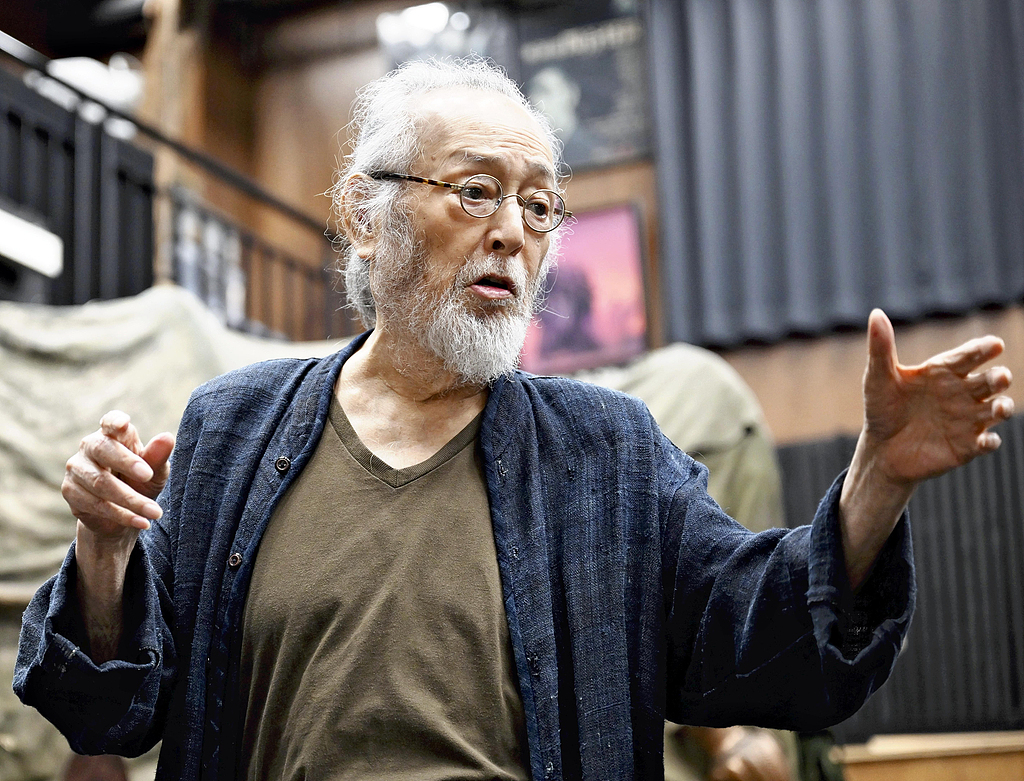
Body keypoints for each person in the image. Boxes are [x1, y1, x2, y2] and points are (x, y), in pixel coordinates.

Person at [15, 58, 1014, 781]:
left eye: (539, 208)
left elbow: (762, 635)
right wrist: (104, 551)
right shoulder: (231, 431)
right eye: (476, 191)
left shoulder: (607, 456)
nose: (512, 232)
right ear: (365, 216)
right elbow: (110, 709)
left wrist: (877, 476)